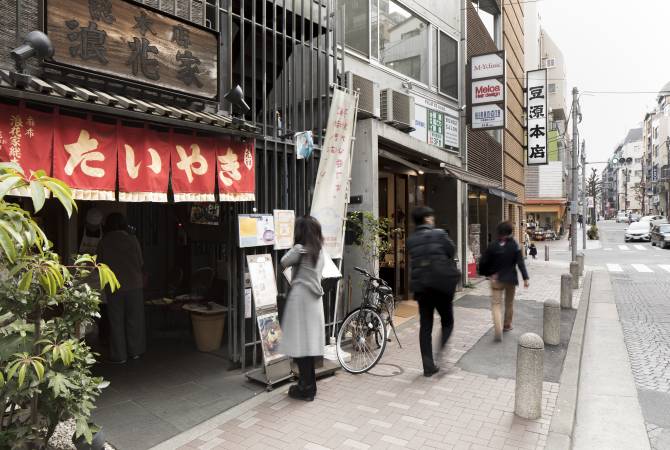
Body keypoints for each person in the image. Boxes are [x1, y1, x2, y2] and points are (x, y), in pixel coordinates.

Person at [406, 206, 460, 377]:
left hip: (422, 289)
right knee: (448, 322)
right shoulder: (439, 234)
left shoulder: (411, 240)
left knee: (426, 326)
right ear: (427, 219)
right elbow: (452, 251)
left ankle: (428, 366)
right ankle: (440, 352)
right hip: (441, 286)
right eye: (431, 216)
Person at [279, 216, 325, 401]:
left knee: (299, 344)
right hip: (314, 302)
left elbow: (284, 261)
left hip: (300, 300)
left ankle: (305, 388)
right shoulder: (320, 251)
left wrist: (295, 247)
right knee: (308, 345)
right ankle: (309, 386)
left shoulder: (300, 249)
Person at [96, 213, 145, 364]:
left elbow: (99, 265)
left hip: (114, 286)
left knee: (116, 321)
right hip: (134, 284)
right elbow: (140, 262)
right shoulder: (132, 239)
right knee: (134, 319)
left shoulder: (104, 242)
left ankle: (119, 356)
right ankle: (135, 351)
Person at [479, 221, 530, 342]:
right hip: (510, 279)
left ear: (499, 232)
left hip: (496, 279)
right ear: (510, 232)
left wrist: (487, 274)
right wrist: (525, 278)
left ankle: (497, 330)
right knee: (509, 303)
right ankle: (507, 325)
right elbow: (520, 262)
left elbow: (483, 262)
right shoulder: (515, 245)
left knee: (496, 304)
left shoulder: (493, 245)